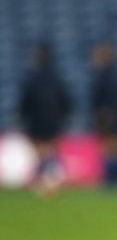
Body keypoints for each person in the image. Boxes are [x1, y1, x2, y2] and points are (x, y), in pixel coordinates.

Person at [18, 43, 72, 195]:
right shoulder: (58, 79)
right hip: (54, 122)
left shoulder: (32, 79)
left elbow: (25, 103)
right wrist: (63, 116)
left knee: (41, 152)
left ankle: (45, 182)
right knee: (52, 151)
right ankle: (54, 180)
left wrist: (23, 118)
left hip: (37, 122)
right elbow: (66, 103)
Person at [89, 41, 117, 186]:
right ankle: (113, 177)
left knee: (110, 146)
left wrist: (105, 113)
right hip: (113, 114)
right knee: (111, 146)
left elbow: (106, 97)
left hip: (108, 115)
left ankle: (113, 177)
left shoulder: (106, 76)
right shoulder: (111, 74)